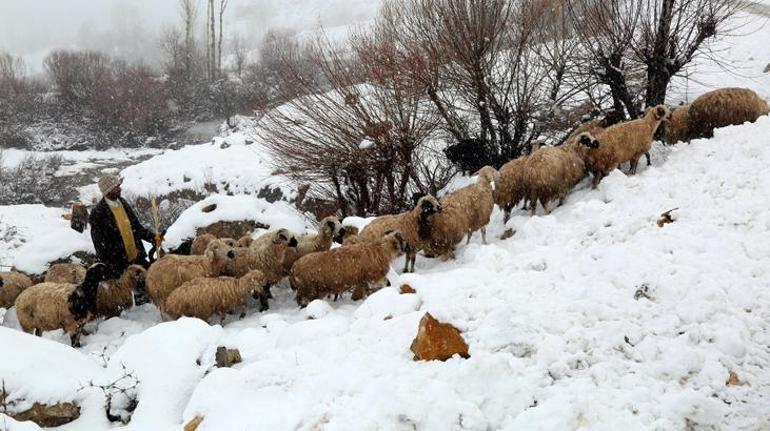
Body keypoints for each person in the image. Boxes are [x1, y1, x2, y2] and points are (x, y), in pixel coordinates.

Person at [89, 175, 159, 304]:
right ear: (107, 190)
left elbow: (136, 227)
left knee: (145, 287)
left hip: (136, 256)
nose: (119, 189)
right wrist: (112, 264)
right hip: (118, 262)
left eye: (118, 186)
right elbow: (99, 245)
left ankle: (144, 309)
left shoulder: (123, 203)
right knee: (123, 296)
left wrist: (153, 237)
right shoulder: (98, 214)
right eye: (116, 187)